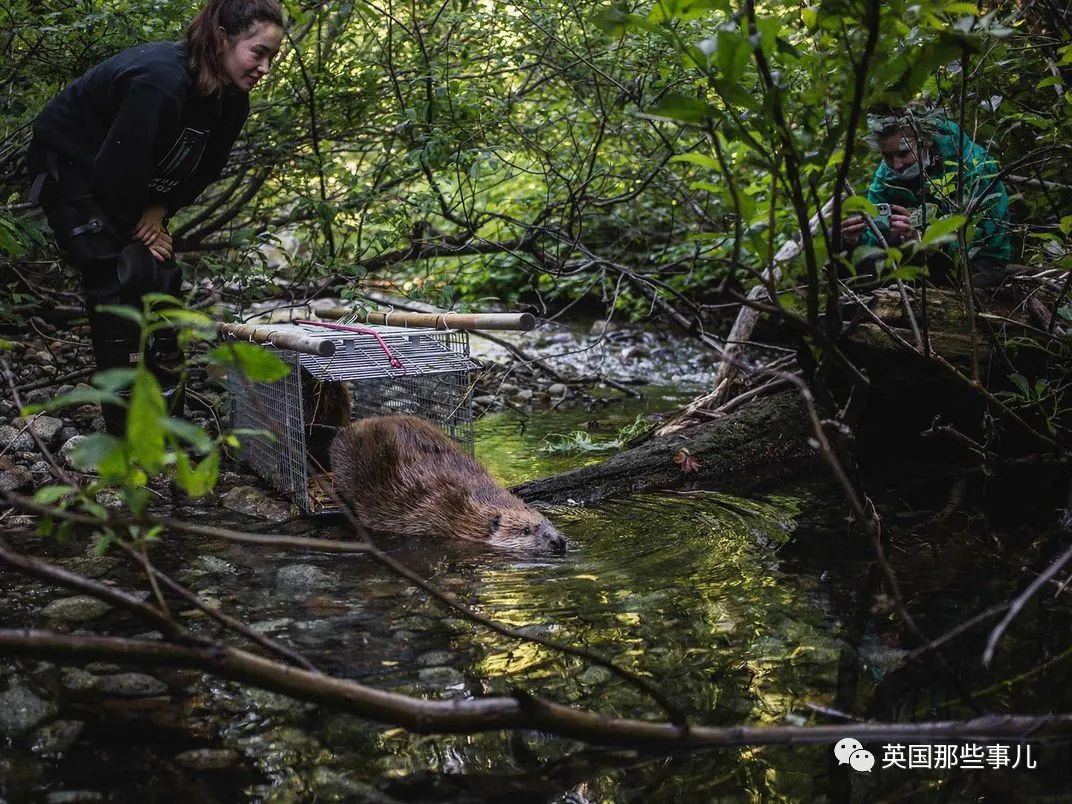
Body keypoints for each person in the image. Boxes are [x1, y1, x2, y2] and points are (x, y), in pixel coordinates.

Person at [26, 0, 284, 435]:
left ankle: (164, 417)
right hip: (72, 166)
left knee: (161, 277)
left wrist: (160, 209)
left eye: (272, 56)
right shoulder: (161, 80)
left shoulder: (231, 101)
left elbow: (203, 169)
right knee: (118, 273)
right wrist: (140, 224)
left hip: (126, 178)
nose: (264, 67)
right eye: (258, 52)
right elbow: (114, 171)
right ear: (223, 37)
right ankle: (126, 430)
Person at [842, 108, 1012, 287]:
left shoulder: (974, 166)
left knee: (976, 284)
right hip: (917, 257)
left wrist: (927, 241)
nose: (896, 164)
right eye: (887, 156)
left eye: (903, 153)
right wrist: (854, 239)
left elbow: (983, 237)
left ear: (925, 142)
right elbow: (875, 233)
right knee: (857, 263)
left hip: (975, 259)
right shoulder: (886, 175)